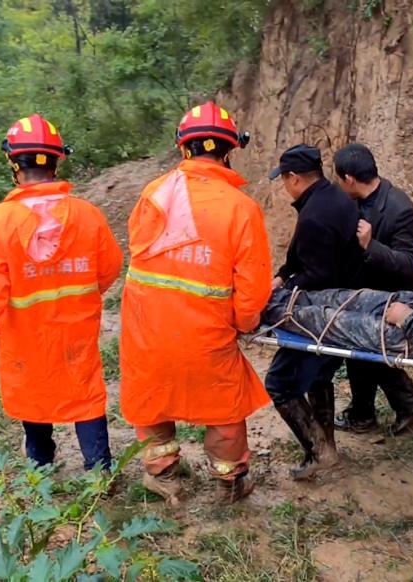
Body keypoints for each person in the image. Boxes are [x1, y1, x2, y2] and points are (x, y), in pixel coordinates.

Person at [119, 102, 272, 504]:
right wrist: (244, 322)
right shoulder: (241, 209)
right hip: (206, 333)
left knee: (153, 399)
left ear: (183, 148)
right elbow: (252, 288)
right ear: (229, 151)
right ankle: (230, 482)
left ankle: (164, 477)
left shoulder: (153, 194)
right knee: (223, 405)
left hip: (146, 328)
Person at [0, 114, 122, 472]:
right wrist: (81, 293)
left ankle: (41, 468)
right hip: (76, 330)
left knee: (31, 392)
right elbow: (110, 266)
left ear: (13, 164)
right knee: (85, 392)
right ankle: (100, 471)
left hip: (24, 334)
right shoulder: (87, 215)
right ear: (56, 161)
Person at [265, 144, 363, 480]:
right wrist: (282, 275)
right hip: (344, 306)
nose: (284, 185)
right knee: (319, 374)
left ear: (294, 177)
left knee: (280, 382)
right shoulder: (333, 197)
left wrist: (285, 292)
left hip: (323, 312)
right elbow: (303, 258)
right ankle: (328, 447)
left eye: (284, 179)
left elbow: (318, 275)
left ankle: (319, 452)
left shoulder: (315, 216)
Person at [331, 144, 413, 435]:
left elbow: (408, 262)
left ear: (349, 178)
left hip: (394, 298)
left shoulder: (400, 208)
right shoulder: (349, 201)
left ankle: (378, 412)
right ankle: (397, 408)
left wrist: (370, 246)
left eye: (339, 179)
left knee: (367, 350)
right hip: (363, 293)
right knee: (360, 351)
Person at [262, 287, 413, 365]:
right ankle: (267, 293)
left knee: (325, 319)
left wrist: (407, 319)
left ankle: (256, 309)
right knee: (340, 298)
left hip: (410, 335)